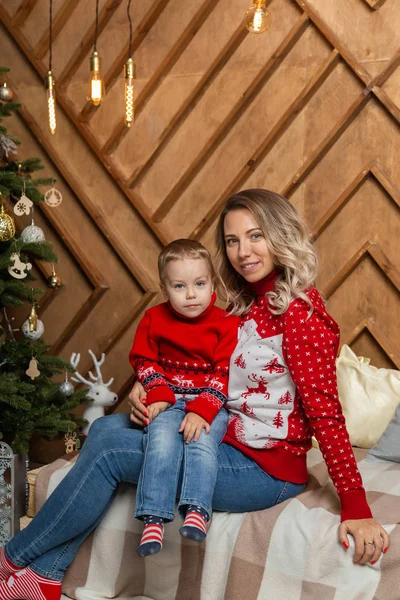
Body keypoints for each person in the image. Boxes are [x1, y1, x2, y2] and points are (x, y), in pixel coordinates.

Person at [0, 190, 389, 600]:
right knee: (105, 429)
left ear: (280, 234)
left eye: (255, 236)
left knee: (110, 451)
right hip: (224, 438)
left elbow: (326, 413)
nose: (243, 252)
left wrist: (356, 506)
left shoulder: (300, 314)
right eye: (233, 241)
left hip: (264, 469)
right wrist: (145, 387)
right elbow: (204, 370)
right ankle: (44, 575)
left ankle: (12, 558)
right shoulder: (248, 304)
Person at [129, 239, 238, 557]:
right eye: (180, 286)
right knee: (161, 441)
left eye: (200, 284)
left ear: (212, 283)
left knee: (200, 443)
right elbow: (143, 360)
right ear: (165, 290)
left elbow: (224, 372)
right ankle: (153, 517)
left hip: (210, 404)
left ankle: (197, 509)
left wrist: (203, 411)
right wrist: (159, 392)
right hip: (168, 400)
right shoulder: (154, 318)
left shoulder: (225, 323)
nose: (191, 294)